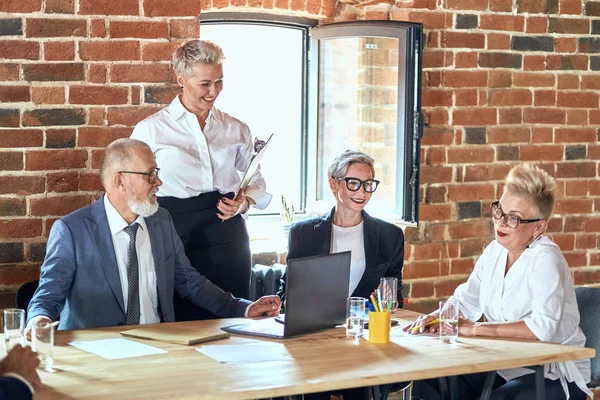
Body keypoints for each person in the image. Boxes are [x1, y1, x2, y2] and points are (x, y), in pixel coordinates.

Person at [26, 139, 280, 333]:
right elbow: (47, 296)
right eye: (150, 174)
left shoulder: (161, 221)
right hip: (98, 357)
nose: (158, 181)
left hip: (161, 347)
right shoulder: (72, 230)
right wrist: (38, 320)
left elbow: (189, 281)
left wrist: (244, 308)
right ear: (120, 181)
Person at [405, 164, 591, 400]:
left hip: (554, 373)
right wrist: (437, 317)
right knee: (424, 380)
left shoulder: (546, 259)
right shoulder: (494, 251)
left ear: (539, 227)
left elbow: (542, 327)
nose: (501, 223)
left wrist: (475, 330)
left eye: (515, 218)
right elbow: (467, 300)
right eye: (499, 211)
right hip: (504, 366)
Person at [131, 40, 272, 321]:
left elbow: (257, 181)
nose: (213, 92)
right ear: (180, 78)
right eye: (205, 84)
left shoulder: (237, 128)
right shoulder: (151, 130)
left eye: (219, 82)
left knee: (233, 322)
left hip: (228, 236)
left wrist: (244, 203)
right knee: (178, 320)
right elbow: (134, 191)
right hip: (174, 234)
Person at [277, 150, 405, 400]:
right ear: (333, 184)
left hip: (364, 337)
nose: (362, 192)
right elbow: (287, 289)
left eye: (368, 184)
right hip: (316, 336)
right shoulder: (304, 233)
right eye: (353, 183)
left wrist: (389, 300)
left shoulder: (390, 236)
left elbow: (394, 293)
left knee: (360, 383)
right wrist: (286, 301)